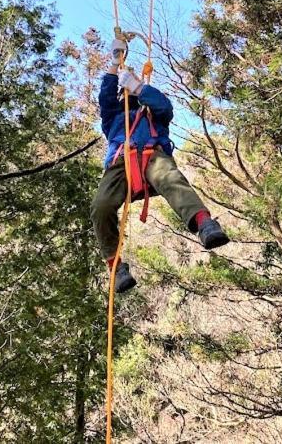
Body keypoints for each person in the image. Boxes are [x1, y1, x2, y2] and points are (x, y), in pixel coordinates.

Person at [91, 38, 229, 293]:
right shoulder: (113, 119)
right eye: (126, 90)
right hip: (121, 163)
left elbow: (164, 105)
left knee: (171, 179)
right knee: (100, 206)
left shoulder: (154, 113)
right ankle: (115, 266)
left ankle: (204, 223)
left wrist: (139, 87)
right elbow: (105, 98)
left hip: (153, 156)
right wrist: (114, 63)